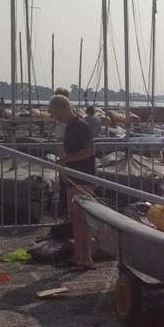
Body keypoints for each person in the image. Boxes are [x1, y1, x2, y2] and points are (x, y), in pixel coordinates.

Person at [48, 95, 96, 270]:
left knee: (83, 218)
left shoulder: (81, 125)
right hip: (73, 176)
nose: (56, 118)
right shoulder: (69, 126)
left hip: (84, 175)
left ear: (65, 108)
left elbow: (90, 151)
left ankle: (87, 257)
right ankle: (79, 256)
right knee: (75, 217)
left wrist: (66, 159)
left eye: (56, 113)